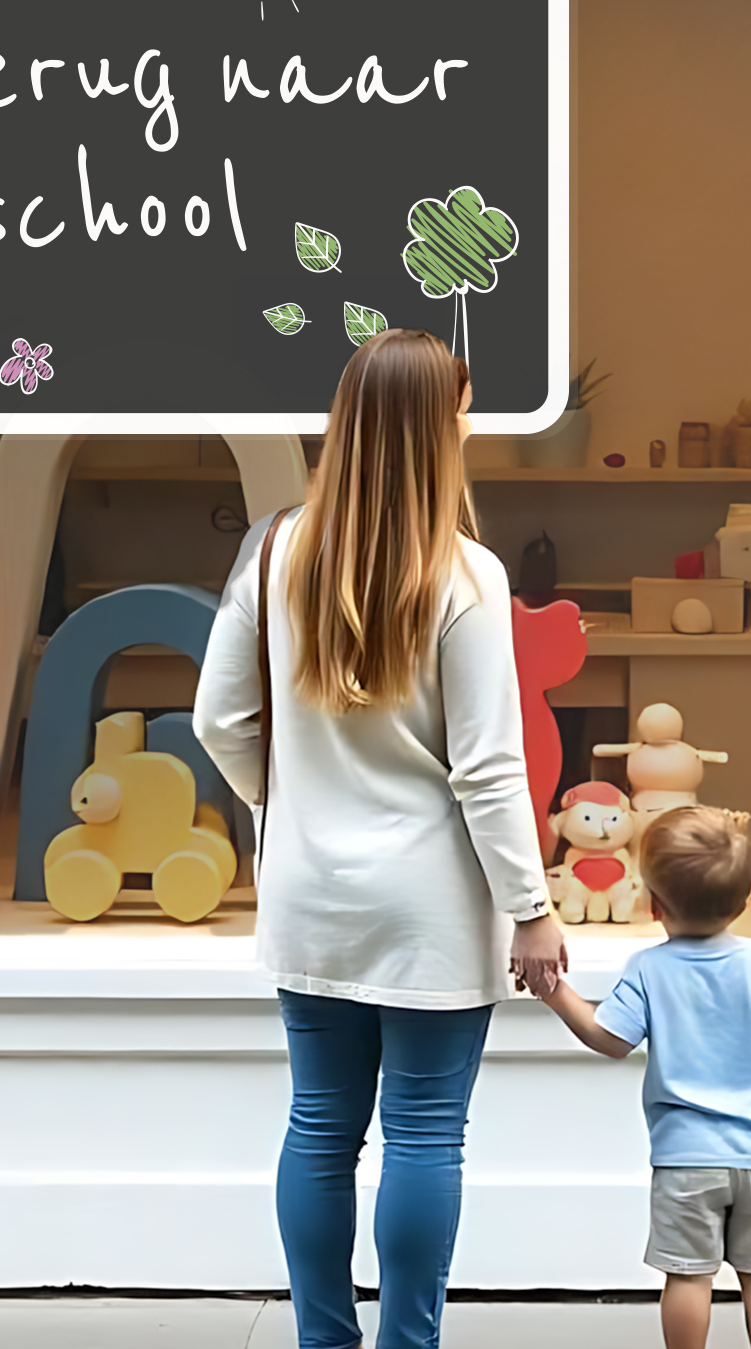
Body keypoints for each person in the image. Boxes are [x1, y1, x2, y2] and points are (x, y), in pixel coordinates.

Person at [194, 329, 566, 1349]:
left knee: (319, 1127)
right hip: (434, 911)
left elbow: (217, 721)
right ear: (441, 427)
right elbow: (489, 770)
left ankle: (324, 1340)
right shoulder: (469, 576)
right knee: (424, 1133)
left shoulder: (274, 548)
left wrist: (286, 803)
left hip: (309, 894)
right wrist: (532, 909)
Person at [534, 807, 751, 1349]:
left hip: (686, 1160)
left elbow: (610, 1040)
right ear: (744, 901)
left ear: (654, 905)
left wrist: (557, 995)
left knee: (689, 1275)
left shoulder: (648, 969)